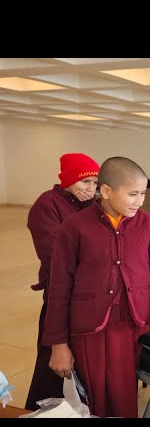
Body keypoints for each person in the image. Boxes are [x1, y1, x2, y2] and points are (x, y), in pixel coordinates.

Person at [43, 156, 150, 418]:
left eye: (143, 193)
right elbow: (59, 287)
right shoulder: (75, 227)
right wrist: (58, 345)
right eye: (133, 194)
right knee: (92, 396)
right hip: (89, 328)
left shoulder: (148, 225)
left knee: (123, 396)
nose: (140, 201)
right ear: (106, 191)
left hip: (131, 323)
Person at [24, 153, 101, 411]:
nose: (91, 189)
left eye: (95, 182)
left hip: (94, 296)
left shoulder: (95, 204)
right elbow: (55, 255)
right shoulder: (47, 206)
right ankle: (41, 411)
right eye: (84, 182)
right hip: (61, 295)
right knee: (54, 363)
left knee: (86, 363)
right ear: (67, 180)